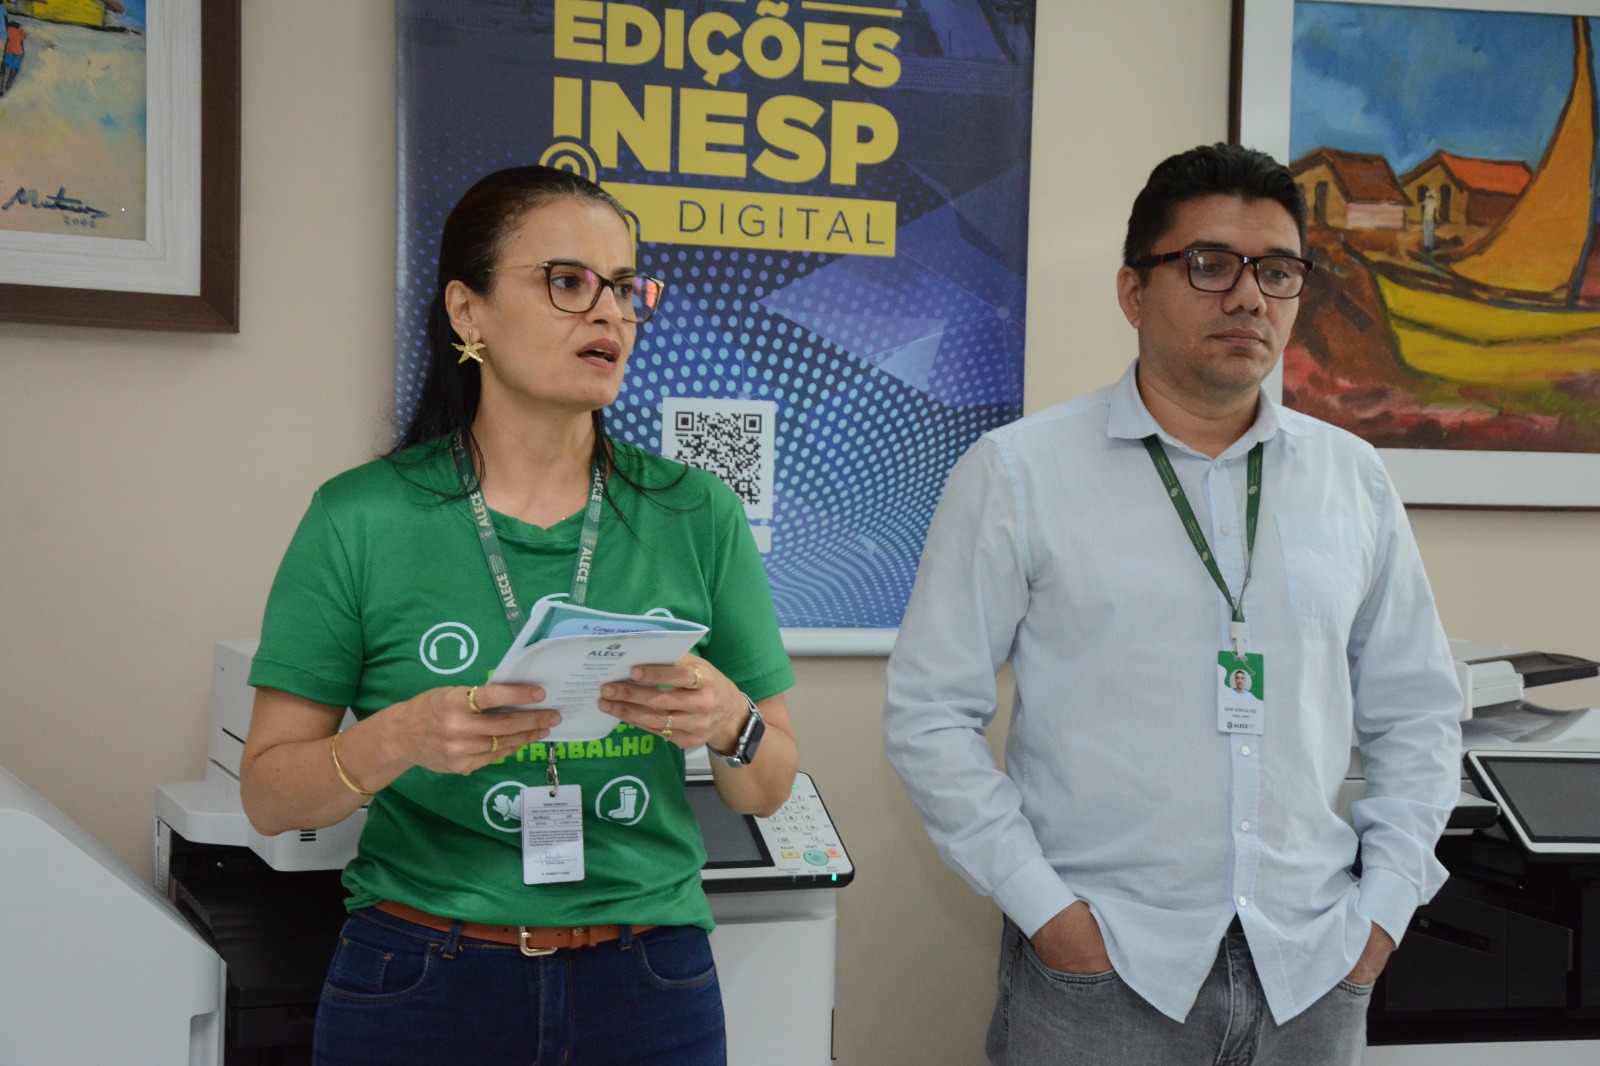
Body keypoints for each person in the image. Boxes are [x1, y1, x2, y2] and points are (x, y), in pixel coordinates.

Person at [882, 143, 1462, 1066]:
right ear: (1133, 290)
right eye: (1210, 264)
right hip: (1105, 975)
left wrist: (1382, 914)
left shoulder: (1352, 478)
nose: (1249, 298)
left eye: (1277, 272)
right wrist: (1049, 915)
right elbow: (929, 714)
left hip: (1313, 972)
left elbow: (1419, 710)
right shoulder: (1020, 473)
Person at [240, 165, 798, 1066]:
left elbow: (766, 787)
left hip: (649, 982)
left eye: (625, 288)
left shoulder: (697, 512)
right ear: (468, 311)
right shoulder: (361, 517)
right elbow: (268, 797)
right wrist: (400, 737)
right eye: (568, 282)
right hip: (423, 980)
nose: (609, 313)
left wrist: (730, 722)